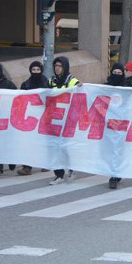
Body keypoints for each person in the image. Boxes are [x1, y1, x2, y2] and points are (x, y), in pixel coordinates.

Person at [49, 56, 82, 186]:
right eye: (56, 66)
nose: (57, 68)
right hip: (54, 119)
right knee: (54, 147)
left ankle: (72, 167)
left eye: (60, 66)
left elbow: (80, 94)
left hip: (68, 119)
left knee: (67, 147)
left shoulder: (72, 81)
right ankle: (58, 174)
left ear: (65, 67)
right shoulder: (51, 81)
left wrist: (80, 87)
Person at [17, 61, 50, 176]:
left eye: (38, 70)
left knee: (42, 142)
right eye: (33, 70)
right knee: (29, 142)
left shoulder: (47, 83)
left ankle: (45, 163)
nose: (35, 72)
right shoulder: (25, 84)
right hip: (30, 117)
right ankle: (27, 167)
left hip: (43, 117)